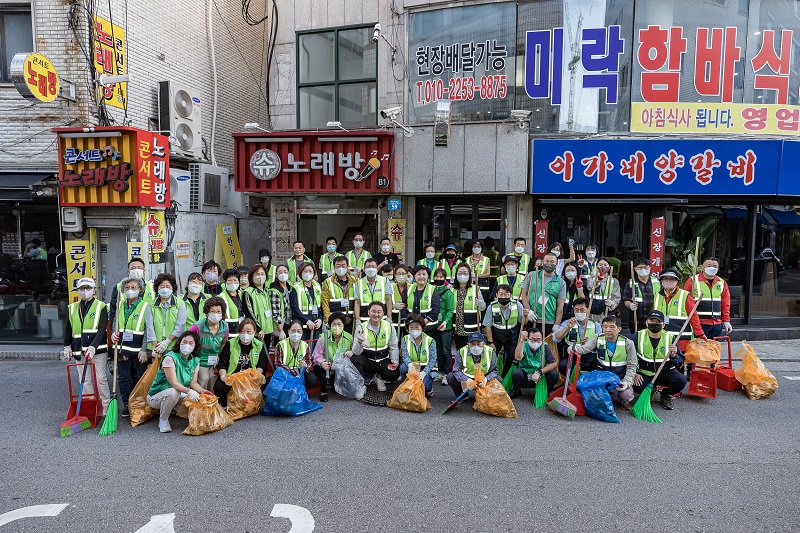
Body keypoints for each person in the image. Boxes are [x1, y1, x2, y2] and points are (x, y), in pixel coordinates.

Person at [63, 277, 110, 415]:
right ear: (78, 290)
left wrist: (93, 346)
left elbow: (102, 328)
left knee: (100, 378)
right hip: (78, 349)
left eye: (88, 288)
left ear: (94, 290)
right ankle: (90, 408)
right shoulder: (72, 308)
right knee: (85, 380)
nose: (85, 291)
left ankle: (105, 407)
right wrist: (67, 346)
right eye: (82, 288)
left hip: (98, 350)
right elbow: (68, 328)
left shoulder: (101, 306)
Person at [571, 316, 637, 409]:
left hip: (620, 378)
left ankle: (623, 401)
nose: (608, 330)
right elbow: (584, 349)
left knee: (626, 395)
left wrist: (626, 382)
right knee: (595, 395)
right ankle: (607, 393)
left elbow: (632, 366)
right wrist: (574, 348)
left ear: (619, 329)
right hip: (602, 377)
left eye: (612, 327)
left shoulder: (628, 343)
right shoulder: (598, 338)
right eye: (605, 326)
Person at [112, 276, 156, 417]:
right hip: (122, 349)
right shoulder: (120, 304)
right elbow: (115, 323)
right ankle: (127, 404)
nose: (130, 290)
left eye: (133, 287)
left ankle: (141, 404)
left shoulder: (145, 306)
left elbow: (147, 329)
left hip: (138, 351)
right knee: (124, 378)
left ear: (140, 289)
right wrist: (113, 334)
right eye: (127, 288)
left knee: (141, 377)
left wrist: (144, 349)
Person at [146, 330, 206, 433]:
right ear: (179, 343)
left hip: (180, 393)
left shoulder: (195, 360)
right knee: (173, 392)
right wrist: (190, 392)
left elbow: (193, 383)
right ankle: (163, 420)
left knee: (201, 398)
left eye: (191, 343)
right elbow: (173, 382)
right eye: (184, 342)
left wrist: (204, 392)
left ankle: (174, 408)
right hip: (157, 396)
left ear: (195, 345)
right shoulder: (170, 358)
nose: (187, 345)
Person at [633, 310, 686, 410]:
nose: (655, 324)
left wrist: (674, 355)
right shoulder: (638, 336)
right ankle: (651, 390)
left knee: (681, 380)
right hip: (645, 373)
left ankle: (666, 395)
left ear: (663, 325)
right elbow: (630, 358)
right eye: (652, 321)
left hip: (665, 372)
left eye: (658, 322)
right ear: (646, 322)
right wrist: (635, 373)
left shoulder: (670, 338)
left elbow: (680, 362)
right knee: (636, 385)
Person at [214, 319, 268, 406]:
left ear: (254, 332)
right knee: (219, 386)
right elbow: (222, 363)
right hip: (233, 377)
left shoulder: (259, 345)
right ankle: (225, 404)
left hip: (250, 377)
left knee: (266, 383)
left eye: (249, 331)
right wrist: (224, 377)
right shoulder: (230, 344)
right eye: (242, 331)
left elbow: (262, 364)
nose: (245, 334)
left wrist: (255, 376)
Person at [351, 302, 400, 391]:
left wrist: (395, 362)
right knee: (354, 359)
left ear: (383, 313)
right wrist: (359, 342)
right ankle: (360, 384)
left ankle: (379, 377)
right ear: (369, 312)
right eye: (373, 311)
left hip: (382, 359)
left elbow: (393, 347)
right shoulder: (361, 327)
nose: (376, 314)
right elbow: (355, 352)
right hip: (367, 360)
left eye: (379, 312)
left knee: (394, 374)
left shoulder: (389, 326)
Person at [653, 268, 704, 350]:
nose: (668, 281)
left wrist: (700, 334)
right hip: (662, 338)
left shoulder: (685, 295)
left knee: (681, 361)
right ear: (661, 281)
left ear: (677, 281)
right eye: (666, 279)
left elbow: (693, 316)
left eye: (671, 279)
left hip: (681, 338)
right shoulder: (657, 296)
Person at [683, 257, 733, 338]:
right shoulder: (693, 281)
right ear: (703, 267)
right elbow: (684, 301)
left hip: (716, 323)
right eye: (709, 265)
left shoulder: (721, 283)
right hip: (699, 323)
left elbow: (725, 303)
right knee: (698, 348)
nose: (712, 268)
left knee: (712, 348)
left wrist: (726, 321)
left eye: (714, 266)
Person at [520, 253, 566, 338]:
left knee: (545, 347)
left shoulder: (560, 282)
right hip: (532, 318)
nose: (549, 263)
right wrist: (529, 311)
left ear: (556, 264)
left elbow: (560, 306)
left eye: (552, 261)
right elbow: (524, 294)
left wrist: (557, 323)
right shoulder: (532, 275)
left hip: (549, 320)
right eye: (547, 261)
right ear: (542, 262)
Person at [483, 284, 524, 378]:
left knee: (512, 356)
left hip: (512, 335)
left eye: (506, 294)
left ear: (510, 295)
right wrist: (490, 342)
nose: (503, 296)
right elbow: (488, 326)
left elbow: (522, 322)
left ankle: (506, 378)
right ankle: (491, 377)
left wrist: (526, 316)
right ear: (496, 295)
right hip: (496, 336)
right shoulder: (491, 307)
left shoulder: (518, 305)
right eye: (501, 294)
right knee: (491, 356)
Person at [274, 319, 325, 396]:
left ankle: (299, 393)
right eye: (293, 331)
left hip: (300, 372)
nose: (296, 334)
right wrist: (294, 374)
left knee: (311, 379)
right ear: (288, 331)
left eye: (299, 331)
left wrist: (305, 366)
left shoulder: (305, 345)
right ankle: (287, 394)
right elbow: (278, 364)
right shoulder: (281, 345)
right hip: (285, 373)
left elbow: (309, 363)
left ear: (302, 332)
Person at [188, 296, 229, 391]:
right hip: (199, 360)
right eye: (212, 311)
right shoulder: (197, 326)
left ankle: (211, 401)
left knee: (213, 379)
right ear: (207, 313)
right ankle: (200, 400)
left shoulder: (225, 326)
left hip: (215, 360)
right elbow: (188, 342)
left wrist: (219, 357)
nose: (216, 314)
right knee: (204, 379)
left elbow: (224, 342)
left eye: (218, 311)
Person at [311, 312, 354, 401]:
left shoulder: (349, 337)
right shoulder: (323, 337)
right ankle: (323, 392)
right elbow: (316, 355)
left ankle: (336, 384)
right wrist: (322, 362)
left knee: (336, 388)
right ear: (330, 325)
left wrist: (351, 352)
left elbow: (353, 351)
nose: (337, 327)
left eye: (339, 324)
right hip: (326, 365)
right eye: (334, 324)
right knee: (321, 369)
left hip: (340, 367)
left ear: (343, 325)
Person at [509, 325, 559, 399]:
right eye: (533, 339)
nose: (536, 342)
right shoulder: (524, 345)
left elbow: (553, 364)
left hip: (540, 376)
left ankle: (545, 392)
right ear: (528, 339)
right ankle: (516, 391)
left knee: (554, 374)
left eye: (538, 339)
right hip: (526, 375)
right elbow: (517, 357)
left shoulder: (544, 347)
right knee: (516, 373)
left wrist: (540, 372)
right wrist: (521, 340)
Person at [552, 297, 600, 374]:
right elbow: (555, 338)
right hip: (572, 356)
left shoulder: (596, 325)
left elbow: (601, 344)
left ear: (587, 310)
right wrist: (567, 327)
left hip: (589, 356)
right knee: (563, 366)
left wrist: (590, 344)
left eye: (582, 310)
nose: (579, 312)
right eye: (576, 310)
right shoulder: (567, 323)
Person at [445, 332, 498, 398]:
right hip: (468, 378)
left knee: (499, 380)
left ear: (483, 343)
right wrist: (467, 380)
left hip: (484, 378)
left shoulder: (490, 352)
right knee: (450, 377)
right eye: (472, 344)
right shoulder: (461, 352)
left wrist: (486, 379)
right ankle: (461, 395)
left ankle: (487, 396)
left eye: (479, 344)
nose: (476, 347)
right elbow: (456, 370)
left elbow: (494, 370)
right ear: (468, 344)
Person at [149, 273, 187, 358]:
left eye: (167, 286)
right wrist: (155, 346)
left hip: (173, 345)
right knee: (157, 370)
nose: (165, 289)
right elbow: (149, 326)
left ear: (172, 287)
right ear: (157, 288)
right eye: (162, 286)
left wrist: (167, 342)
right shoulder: (151, 305)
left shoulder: (180, 304)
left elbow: (180, 326)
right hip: (155, 345)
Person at [109, 257, 154, 326]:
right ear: (128, 271)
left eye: (139, 268)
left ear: (144, 270)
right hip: (125, 328)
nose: (136, 270)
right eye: (133, 268)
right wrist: (113, 330)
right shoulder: (119, 287)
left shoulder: (152, 287)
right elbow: (113, 311)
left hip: (147, 327)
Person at [451, 263, 486, 350]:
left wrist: (481, 304)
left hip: (472, 329)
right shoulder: (451, 290)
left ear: (469, 275)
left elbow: (483, 307)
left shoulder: (475, 289)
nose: (462, 275)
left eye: (465, 273)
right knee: (460, 352)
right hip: (457, 329)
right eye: (460, 273)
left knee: (473, 352)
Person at [400, 314, 435, 396]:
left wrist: (423, 373)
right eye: (411, 327)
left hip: (426, 368)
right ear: (407, 329)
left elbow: (433, 360)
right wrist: (409, 364)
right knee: (403, 368)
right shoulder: (405, 339)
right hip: (413, 367)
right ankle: (407, 386)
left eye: (417, 327)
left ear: (422, 328)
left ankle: (429, 388)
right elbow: (405, 355)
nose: (414, 329)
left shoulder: (430, 340)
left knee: (423, 386)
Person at [321, 255, 357, 332]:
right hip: (335, 321)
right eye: (338, 265)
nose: (341, 268)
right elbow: (325, 302)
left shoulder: (354, 281)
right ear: (334, 267)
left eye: (343, 265)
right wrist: (328, 320)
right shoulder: (327, 282)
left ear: (347, 266)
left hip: (351, 321)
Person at [623, 258, 659, 333]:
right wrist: (630, 305)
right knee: (637, 340)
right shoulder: (630, 283)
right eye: (640, 267)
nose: (643, 269)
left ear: (650, 268)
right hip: (636, 320)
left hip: (653, 319)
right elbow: (626, 300)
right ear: (635, 269)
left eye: (646, 267)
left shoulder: (657, 282)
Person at [243, 264, 274, 349]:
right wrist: (258, 329)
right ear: (252, 277)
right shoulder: (248, 292)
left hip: (268, 330)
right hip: (257, 332)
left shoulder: (267, 291)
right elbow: (249, 312)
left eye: (262, 274)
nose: (260, 276)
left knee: (265, 356)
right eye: (257, 274)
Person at [290, 262, 323, 342]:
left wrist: (320, 319)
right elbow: (294, 308)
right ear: (300, 273)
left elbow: (321, 306)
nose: (308, 273)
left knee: (315, 348)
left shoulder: (317, 286)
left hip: (316, 324)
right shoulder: (296, 288)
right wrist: (307, 321)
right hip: (302, 325)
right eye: (305, 271)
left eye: (310, 271)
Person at [353, 258, 393, 323]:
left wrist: (389, 317)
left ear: (377, 268)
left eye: (373, 267)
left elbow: (388, 300)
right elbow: (357, 302)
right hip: (365, 318)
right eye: (368, 267)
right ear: (364, 269)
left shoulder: (385, 281)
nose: (371, 269)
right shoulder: (359, 283)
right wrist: (357, 319)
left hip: (382, 318)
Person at [432, 267, 454, 385]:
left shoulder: (448, 292)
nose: (438, 279)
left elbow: (450, 310)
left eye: (441, 277)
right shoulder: (431, 290)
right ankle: (440, 372)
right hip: (434, 325)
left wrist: (445, 322)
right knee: (438, 350)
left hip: (446, 326)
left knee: (446, 350)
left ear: (445, 279)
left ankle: (447, 373)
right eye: (437, 276)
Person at [407, 265, 441, 338]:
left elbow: (436, 309)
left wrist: (424, 322)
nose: (421, 276)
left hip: (429, 328)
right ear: (414, 276)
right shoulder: (409, 288)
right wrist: (407, 321)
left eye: (424, 274)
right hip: (412, 328)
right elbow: (403, 306)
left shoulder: (432, 289)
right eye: (418, 274)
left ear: (428, 276)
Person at [588, 258, 621, 323]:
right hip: (593, 312)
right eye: (600, 264)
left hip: (608, 312)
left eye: (605, 265)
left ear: (609, 267)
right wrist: (597, 281)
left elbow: (617, 297)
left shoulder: (614, 281)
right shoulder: (591, 278)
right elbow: (589, 288)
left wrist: (612, 303)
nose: (603, 266)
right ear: (596, 266)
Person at [269, 264, 293, 343]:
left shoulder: (290, 288)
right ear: (276, 274)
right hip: (281, 325)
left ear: (288, 273)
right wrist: (281, 330)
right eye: (280, 272)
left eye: (285, 271)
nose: (283, 274)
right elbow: (276, 312)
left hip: (290, 323)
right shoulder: (274, 290)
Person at [220, 269, 245, 338]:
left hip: (243, 326)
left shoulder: (242, 294)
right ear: (225, 282)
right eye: (229, 280)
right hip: (230, 330)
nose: (232, 283)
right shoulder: (221, 296)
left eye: (235, 280)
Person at [391, 264, 411, 335]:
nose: (401, 276)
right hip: (394, 320)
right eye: (399, 274)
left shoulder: (411, 287)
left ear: (407, 275)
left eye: (403, 274)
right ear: (395, 275)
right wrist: (393, 306)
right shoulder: (390, 287)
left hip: (408, 320)